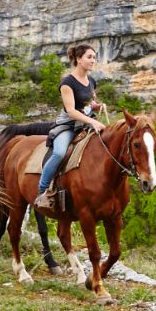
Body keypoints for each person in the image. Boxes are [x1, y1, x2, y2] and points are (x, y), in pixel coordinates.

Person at [34, 43, 107, 209]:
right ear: (78, 59)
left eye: (94, 57)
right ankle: (42, 191)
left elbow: (88, 103)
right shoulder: (67, 82)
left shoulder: (91, 81)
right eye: (89, 57)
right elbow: (72, 111)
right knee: (59, 153)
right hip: (69, 125)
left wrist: (97, 106)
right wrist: (94, 121)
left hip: (86, 122)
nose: (93, 60)